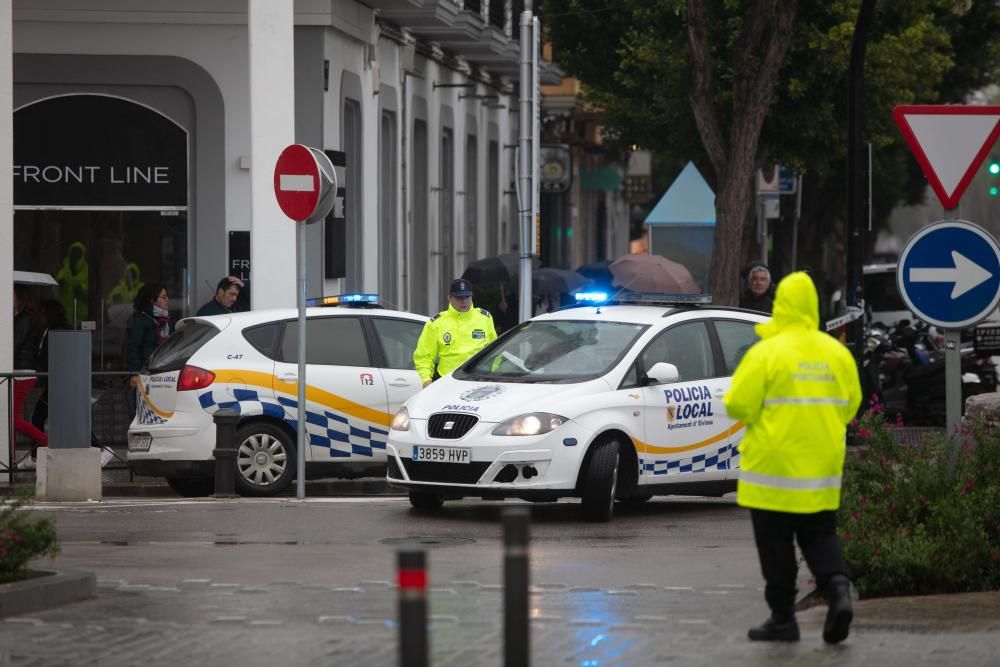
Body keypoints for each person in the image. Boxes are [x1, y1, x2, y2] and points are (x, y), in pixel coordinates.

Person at [723, 272, 861, 644]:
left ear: (780, 304)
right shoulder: (836, 353)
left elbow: (737, 403)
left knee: (776, 546)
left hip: (773, 473)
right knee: (821, 536)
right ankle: (838, 589)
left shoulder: (766, 352)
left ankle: (783, 619)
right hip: (821, 470)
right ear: (813, 306)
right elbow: (852, 406)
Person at [414, 278, 497, 387]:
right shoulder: (436, 323)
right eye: (459, 297)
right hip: (447, 383)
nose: (464, 301)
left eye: (467, 297)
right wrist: (426, 381)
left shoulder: (485, 318)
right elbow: (424, 356)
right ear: (449, 297)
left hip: (478, 383)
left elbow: (495, 351)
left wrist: (493, 376)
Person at [12, 286, 48, 469]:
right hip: (23, 371)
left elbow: (15, 343)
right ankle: (10, 459)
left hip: (20, 371)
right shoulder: (29, 319)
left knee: (11, 419)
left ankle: (45, 440)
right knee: (10, 418)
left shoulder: (23, 319)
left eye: (13, 295)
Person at [30, 299, 71, 435]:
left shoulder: (58, 332)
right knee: (68, 416)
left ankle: (38, 450)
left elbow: (52, 357)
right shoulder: (47, 330)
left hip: (58, 382)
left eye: (42, 313)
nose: (40, 316)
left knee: (38, 417)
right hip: (55, 382)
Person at [127, 283, 171, 388]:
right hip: (145, 373)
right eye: (163, 297)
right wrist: (134, 373)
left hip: (161, 372)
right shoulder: (141, 320)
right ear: (152, 300)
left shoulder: (164, 320)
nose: (167, 300)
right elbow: (133, 347)